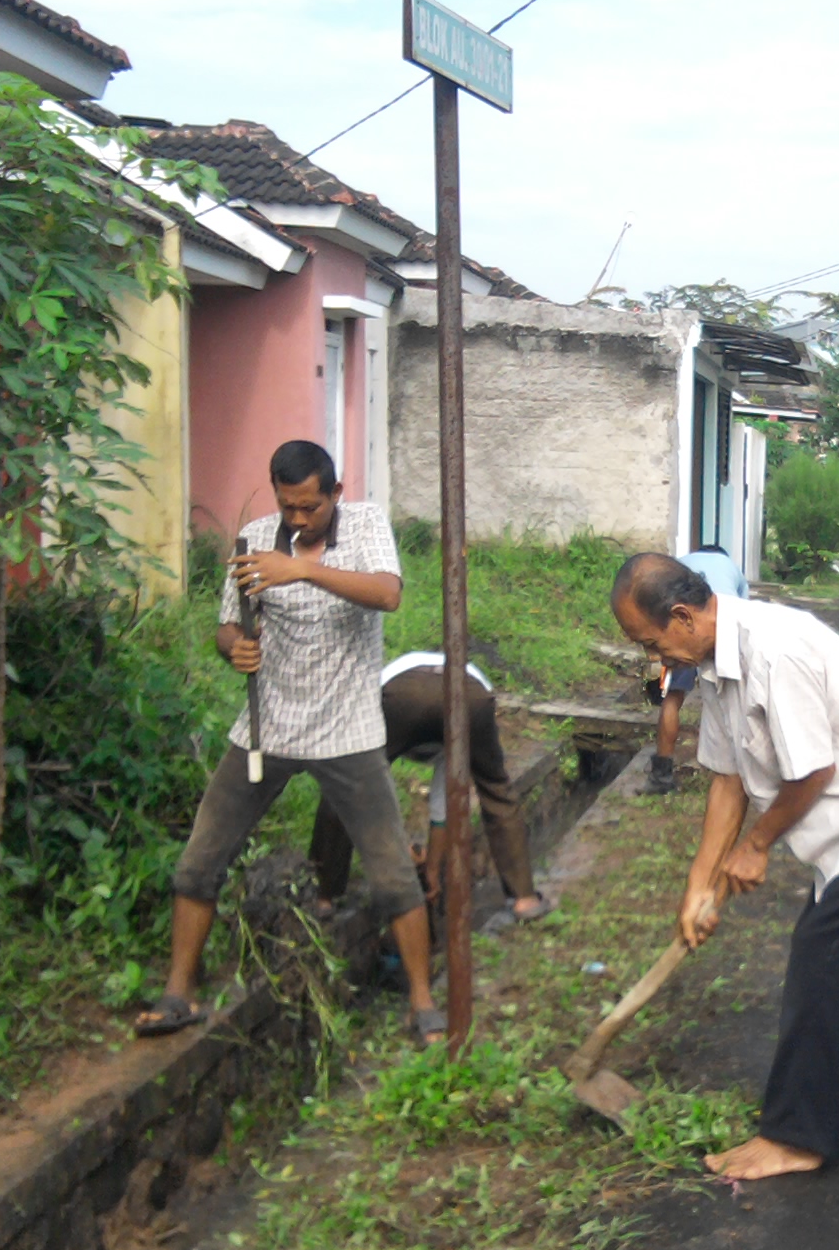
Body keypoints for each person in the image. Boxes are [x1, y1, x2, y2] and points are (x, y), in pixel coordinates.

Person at [610, 553, 839, 1182]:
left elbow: (813, 771)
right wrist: (700, 886)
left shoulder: (773, 651)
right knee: (837, 960)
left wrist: (755, 847)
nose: (655, 660)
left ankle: (797, 1135)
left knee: (825, 953)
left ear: (681, 617)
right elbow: (726, 781)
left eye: (652, 643)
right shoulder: (717, 664)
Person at [134, 441, 445, 1044]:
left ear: (335, 493)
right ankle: (179, 993)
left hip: (348, 729)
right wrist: (234, 648)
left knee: (391, 878)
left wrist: (301, 567)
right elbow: (227, 625)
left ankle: (423, 1003)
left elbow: (388, 593)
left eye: (310, 507)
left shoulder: (365, 527)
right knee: (200, 861)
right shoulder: (253, 539)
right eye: (288, 507)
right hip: (265, 727)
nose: (298, 519)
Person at [307, 651, 549, 924]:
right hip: (470, 695)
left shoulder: (392, 684)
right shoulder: (454, 747)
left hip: (403, 694)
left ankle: (324, 895)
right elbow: (442, 807)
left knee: (346, 784)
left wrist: (424, 864)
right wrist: (429, 866)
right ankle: (524, 899)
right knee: (496, 790)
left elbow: (375, 794)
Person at [645, 544, 747, 795]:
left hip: (683, 632)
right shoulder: (734, 569)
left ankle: (662, 775)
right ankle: (736, 771)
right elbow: (744, 613)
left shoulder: (678, 563)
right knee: (734, 699)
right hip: (721, 630)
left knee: (673, 699)